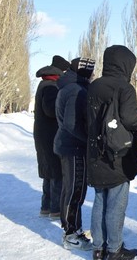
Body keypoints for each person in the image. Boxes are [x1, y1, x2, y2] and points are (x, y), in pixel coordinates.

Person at [87, 45, 137, 260]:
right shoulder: (124, 88)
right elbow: (131, 120)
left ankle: (98, 249)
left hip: (95, 154)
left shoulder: (94, 87)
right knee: (116, 204)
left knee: (100, 201)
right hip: (117, 156)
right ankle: (114, 250)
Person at [54, 57, 95, 251]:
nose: (94, 75)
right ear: (85, 72)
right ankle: (71, 233)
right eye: (91, 71)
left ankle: (73, 228)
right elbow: (71, 124)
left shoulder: (71, 86)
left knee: (72, 189)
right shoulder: (76, 90)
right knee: (74, 190)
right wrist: (89, 138)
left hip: (69, 145)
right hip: (74, 147)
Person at [34, 55, 70, 219]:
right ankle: (55, 208)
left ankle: (46, 206)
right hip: (50, 135)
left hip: (45, 134)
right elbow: (50, 109)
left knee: (49, 171)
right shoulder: (50, 86)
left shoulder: (45, 84)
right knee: (56, 171)